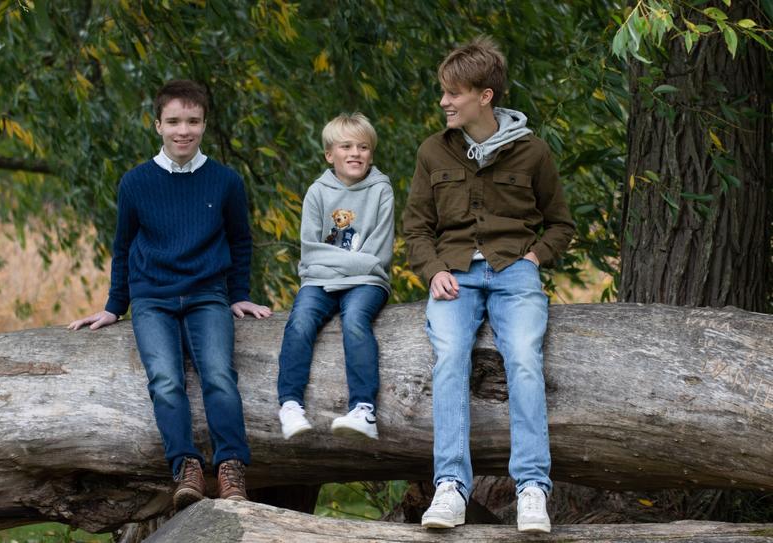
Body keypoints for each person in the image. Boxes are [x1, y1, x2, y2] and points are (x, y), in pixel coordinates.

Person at [68, 79, 271, 511]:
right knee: (165, 380)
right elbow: (124, 246)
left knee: (219, 374)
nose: (184, 130)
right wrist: (114, 306)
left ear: (204, 125)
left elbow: (240, 240)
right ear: (158, 125)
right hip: (152, 298)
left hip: (207, 294)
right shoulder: (136, 182)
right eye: (174, 121)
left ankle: (231, 466)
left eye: (193, 121)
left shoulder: (225, 181)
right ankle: (186, 466)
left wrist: (239, 294)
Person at [402, 37, 575, 533]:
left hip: (514, 272)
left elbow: (560, 224)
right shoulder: (433, 150)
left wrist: (535, 257)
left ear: (485, 96)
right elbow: (416, 227)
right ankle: (451, 487)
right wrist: (433, 269)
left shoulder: (532, 151)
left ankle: (532, 489)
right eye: (443, 92)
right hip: (453, 275)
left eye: (453, 93)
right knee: (450, 358)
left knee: (523, 358)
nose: (444, 101)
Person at [276, 112, 394, 441]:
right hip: (319, 281)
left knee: (355, 319)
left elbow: (379, 255)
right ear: (330, 155)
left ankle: (363, 410)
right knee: (300, 321)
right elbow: (310, 251)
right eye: (346, 147)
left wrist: (338, 264)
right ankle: (290, 405)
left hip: (367, 283)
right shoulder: (317, 192)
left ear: (371, 154)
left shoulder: (381, 191)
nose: (356, 153)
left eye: (363, 147)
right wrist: (355, 261)